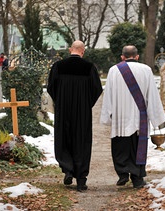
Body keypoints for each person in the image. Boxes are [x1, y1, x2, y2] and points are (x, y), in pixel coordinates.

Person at [100, 45, 165, 188]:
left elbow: (108, 94)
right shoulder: (146, 70)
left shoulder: (113, 70)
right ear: (137, 56)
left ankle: (123, 174)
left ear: (122, 57)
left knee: (120, 145)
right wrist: (156, 117)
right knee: (138, 146)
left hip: (120, 115)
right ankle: (137, 178)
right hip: (139, 115)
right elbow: (152, 95)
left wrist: (108, 114)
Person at [47, 40, 103, 192]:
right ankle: (81, 180)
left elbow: (51, 87)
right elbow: (97, 89)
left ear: (70, 49)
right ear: (83, 51)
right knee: (82, 141)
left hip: (63, 109)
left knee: (64, 138)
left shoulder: (58, 66)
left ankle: (68, 170)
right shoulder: (89, 67)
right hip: (82, 111)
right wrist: (86, 103)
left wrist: (60, 101)